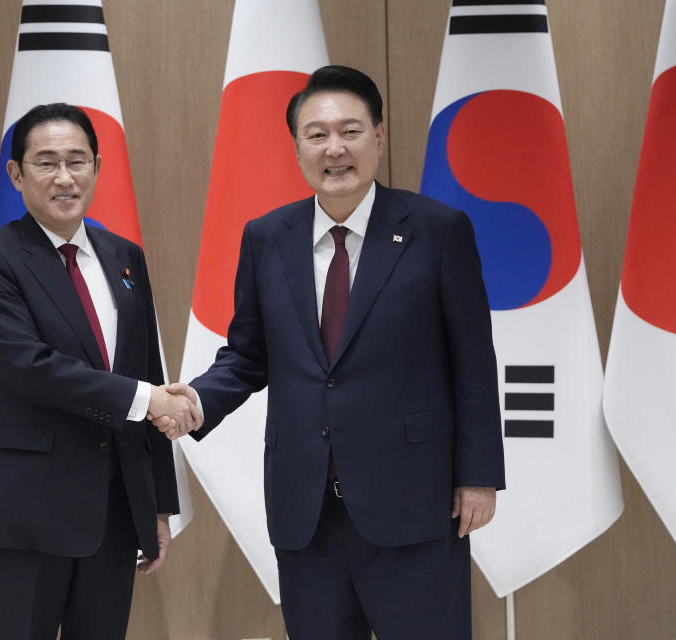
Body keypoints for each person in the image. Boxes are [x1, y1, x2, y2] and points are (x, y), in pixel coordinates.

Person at [160, 66, 505, 639]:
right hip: (307, 510)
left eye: (350, 131)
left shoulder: (437, 229)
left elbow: (472, 362)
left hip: (415, 502)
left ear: (379, 137)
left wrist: (479, 475)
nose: (334, 148)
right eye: (316, 135)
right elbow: (247, 356)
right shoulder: (266, 237)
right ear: (296, 147)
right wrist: (196, 400)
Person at [0, 103, 200, 640]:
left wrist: (157, 507)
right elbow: (28, 367)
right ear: (16, 174)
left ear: (96, 167)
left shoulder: (125, 256)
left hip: (114, 510)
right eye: (46, 163)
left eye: (78, 160)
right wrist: (147, 399)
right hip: (29, 506)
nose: (64, 177)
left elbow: (148, 373)